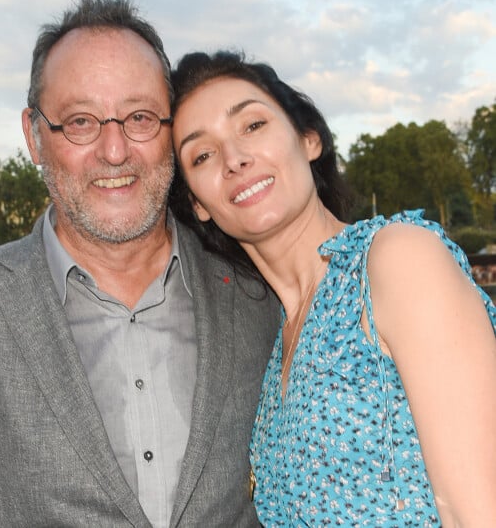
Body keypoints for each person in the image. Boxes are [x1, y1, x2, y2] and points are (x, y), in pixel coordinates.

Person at [0, 0, 280, 527]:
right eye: (81, 122)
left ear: (171, 130)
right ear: (34, 136)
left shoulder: (255, 293)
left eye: (138, 118)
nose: (115, 151)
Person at [169, 50, 496, 526]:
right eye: (202, 155)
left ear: (308, 139)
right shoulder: (274, 343)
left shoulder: (396, 260)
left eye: (253, 126)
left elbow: (481, 510)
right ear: (198, 204)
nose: (234, 159)